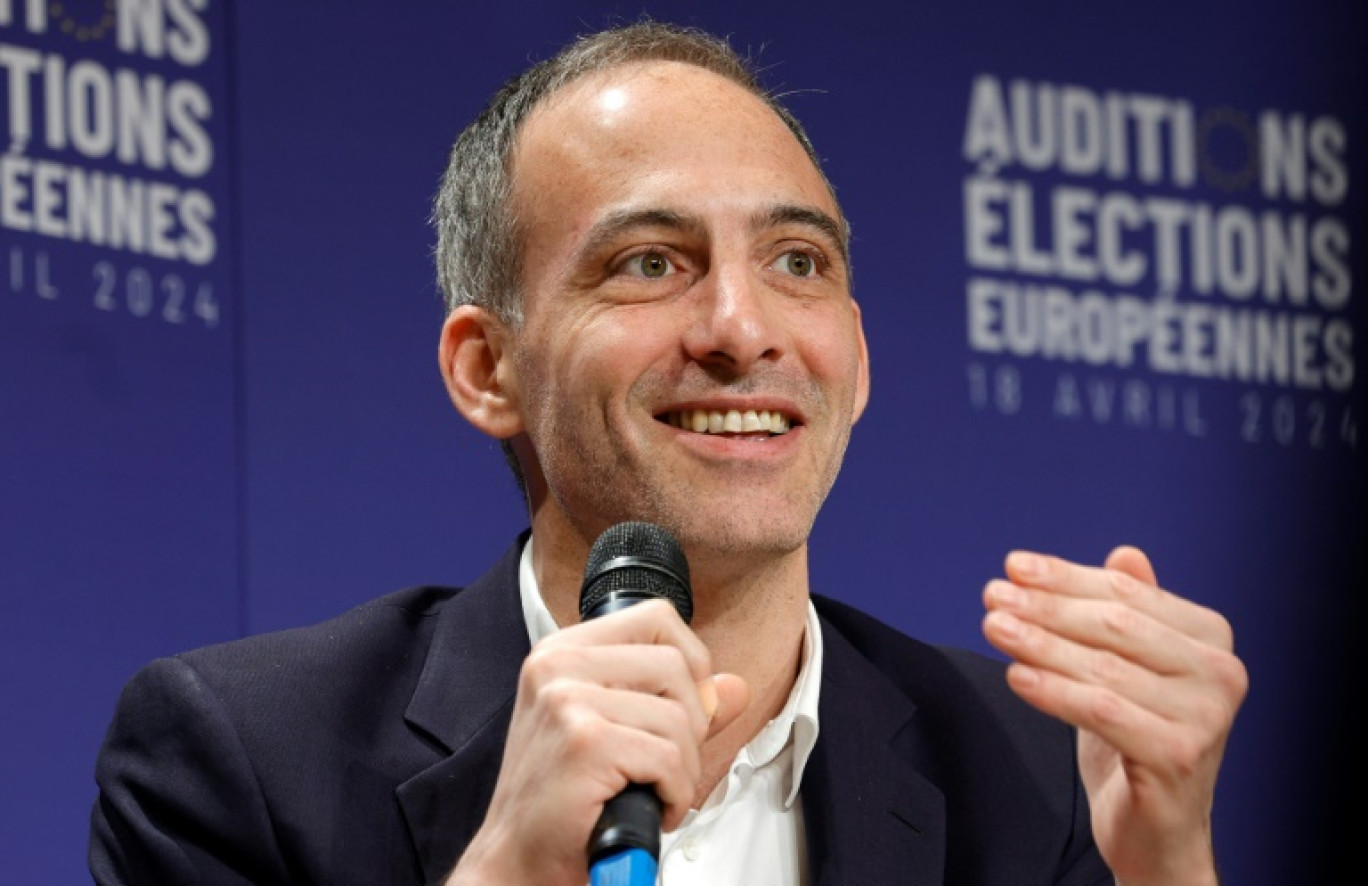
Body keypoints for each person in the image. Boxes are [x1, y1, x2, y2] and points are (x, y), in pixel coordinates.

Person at [89, 21, 1247, 886]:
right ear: (488, 369)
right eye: (650, 261)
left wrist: (1167, 860)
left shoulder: (1034, 771)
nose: (744, 329)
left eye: (798, 263)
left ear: (858, 356)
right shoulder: (244, 757)